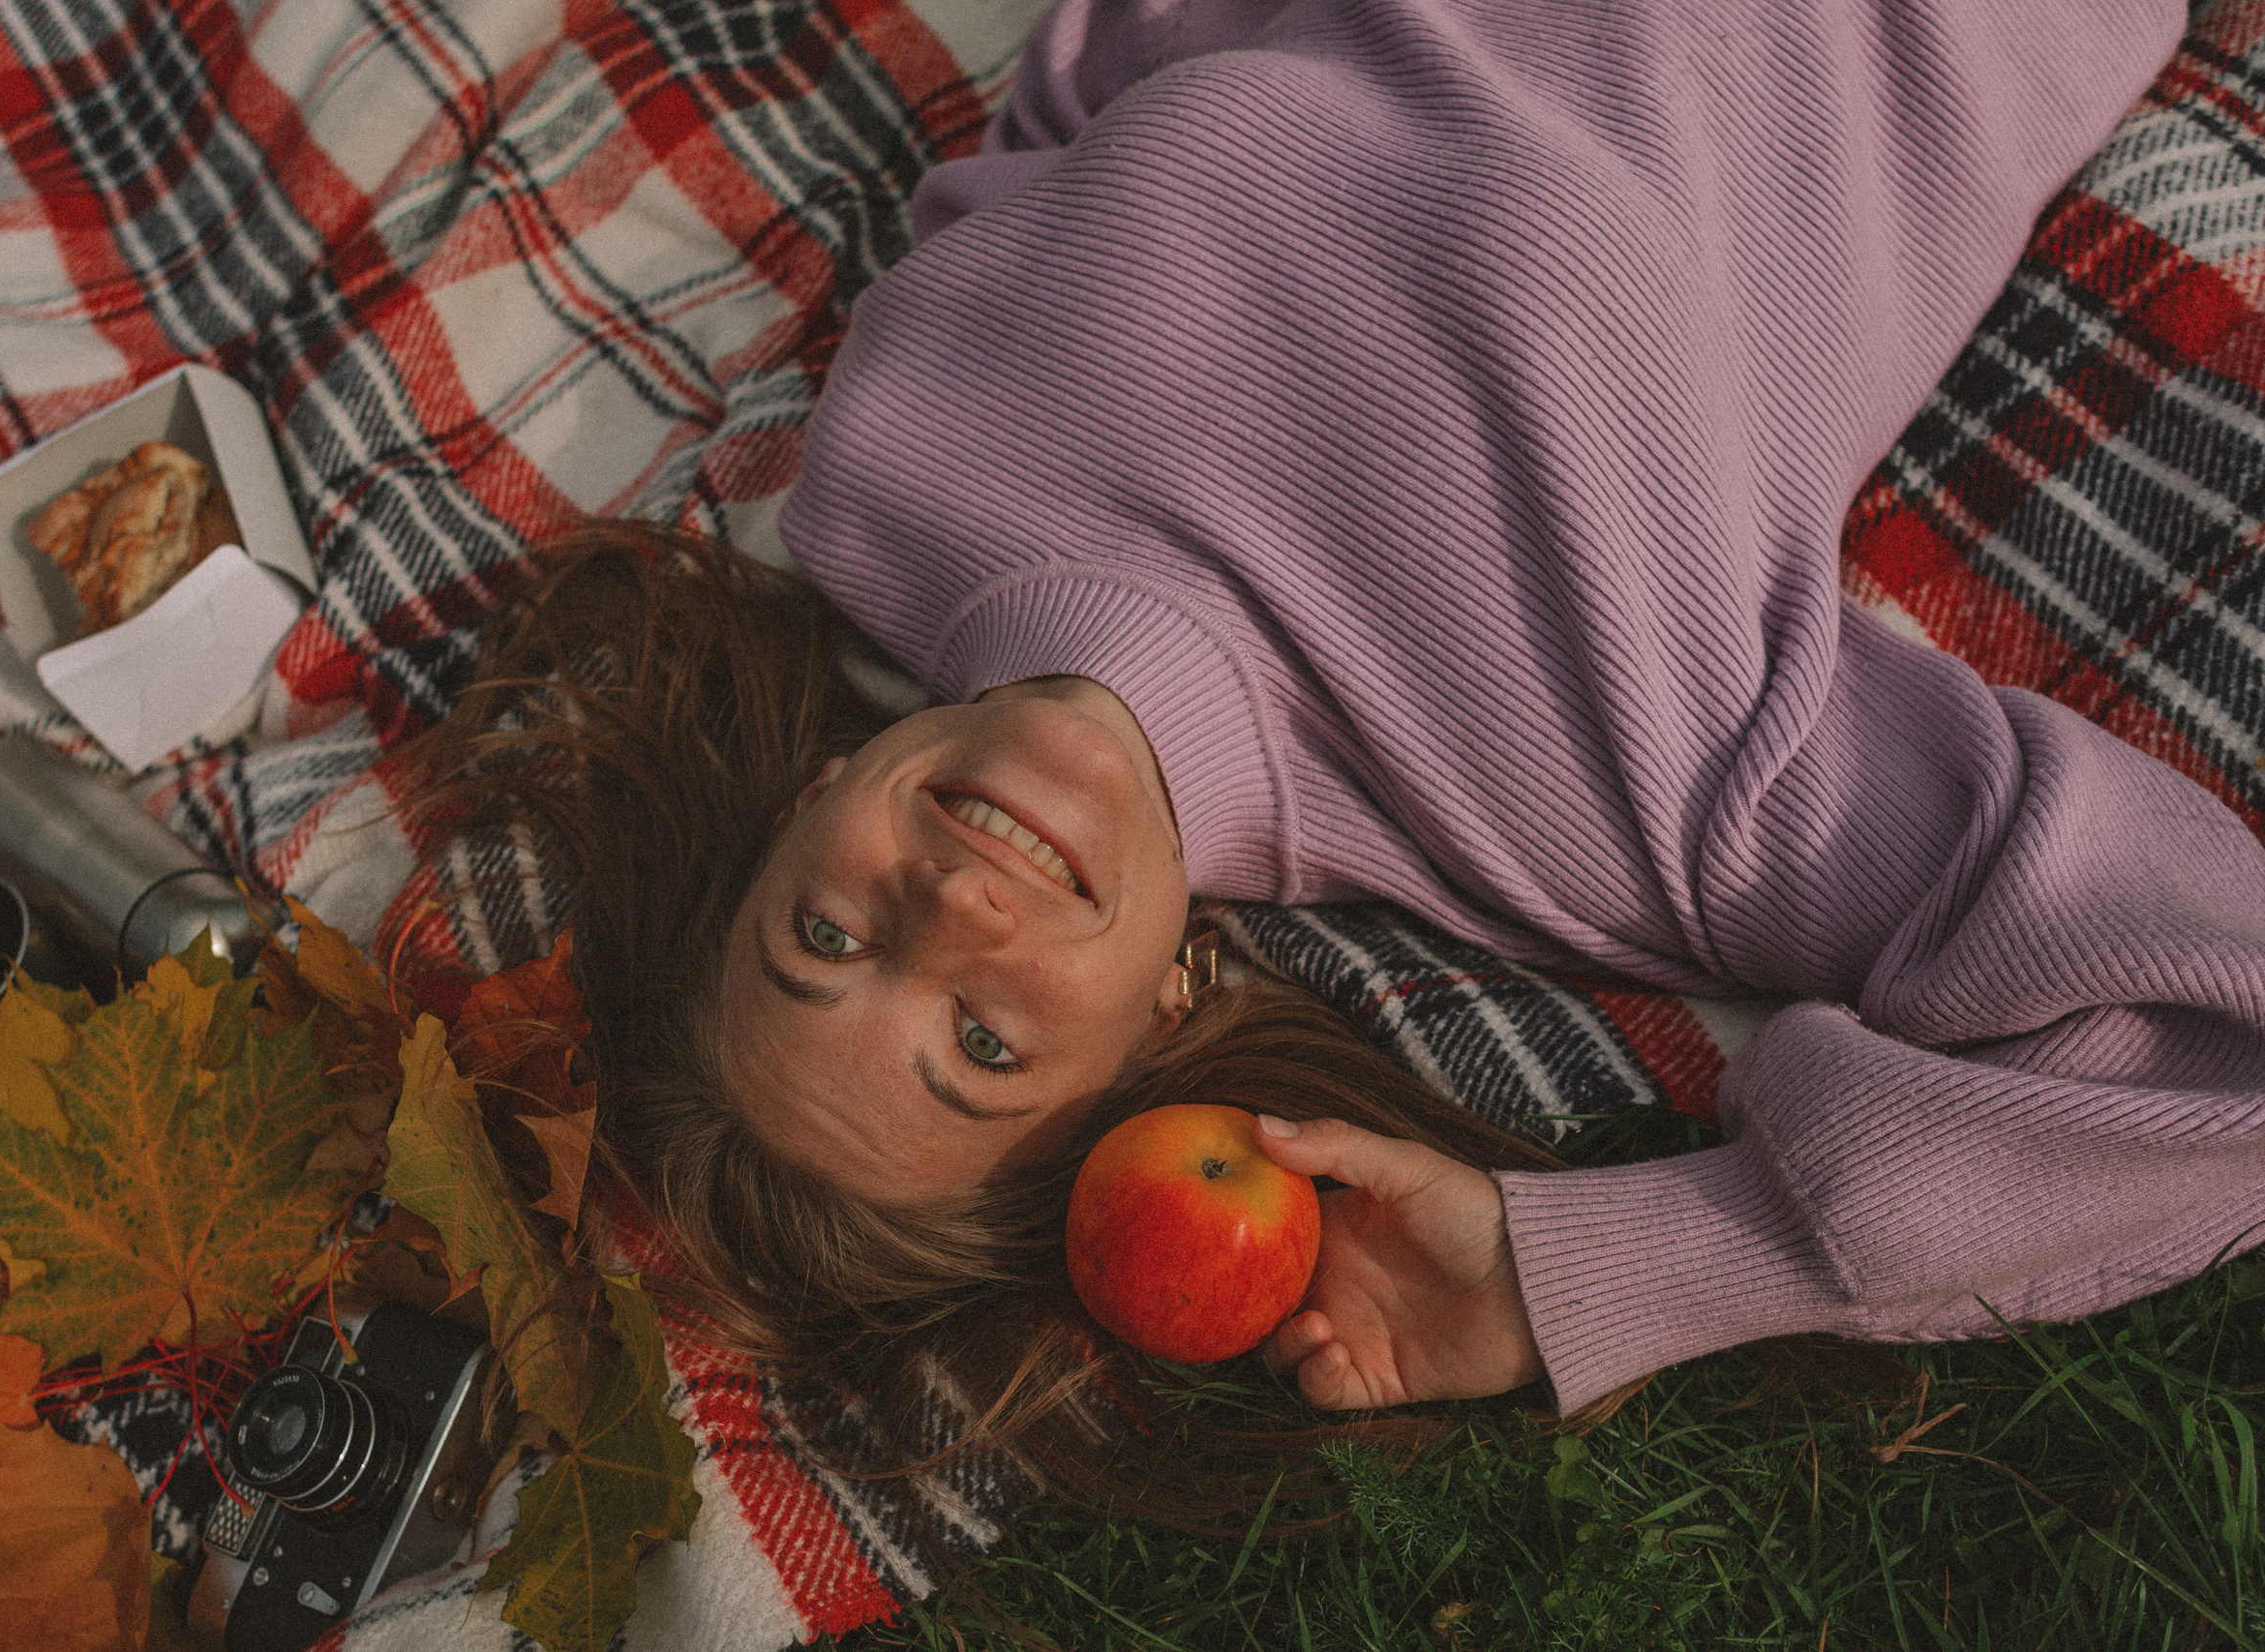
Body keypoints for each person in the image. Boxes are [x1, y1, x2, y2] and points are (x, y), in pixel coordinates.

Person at [417, 0, 2265, 1497]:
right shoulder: (1594, 800)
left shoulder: (884, 458)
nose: (950, 916)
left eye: (824, 938)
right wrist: (1604, 1270)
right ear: (1161, 1024)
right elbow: (2207, 1020)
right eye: (983, 1045)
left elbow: (1102, 96)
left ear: (806, 803)